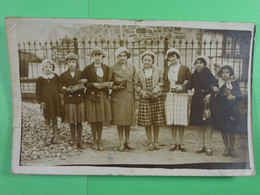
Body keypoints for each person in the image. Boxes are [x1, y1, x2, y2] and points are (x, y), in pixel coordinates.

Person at [82, 47, 112, 151]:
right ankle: (94, 140)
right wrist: (93, 84)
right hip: (91, 96)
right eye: (96, 55)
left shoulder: (106, 68)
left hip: (103, 95)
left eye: (99, 55)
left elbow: (110, 80)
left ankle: (100, 140)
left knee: (100, 119)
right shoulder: (87, 68)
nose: (98, 57)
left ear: (102, 56)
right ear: (93, 57)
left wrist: (105, 84)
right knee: (93, 119)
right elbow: (84, 82)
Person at [188, 55, 218, 156]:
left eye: (201, 63)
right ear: (195, 65)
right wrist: (182, 84)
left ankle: (208, 146)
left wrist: (210, 94)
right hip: (197, 99)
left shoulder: (209, 74)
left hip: (207, 99)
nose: (198, 64)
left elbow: (215, 85)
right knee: (199, 124)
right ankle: (201, 145)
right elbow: (189, 86)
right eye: (197, 63)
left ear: (204, 64)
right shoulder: (193, 75)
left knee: (208, 123)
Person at [136, 51, 164, 151]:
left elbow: (162, 81)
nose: (147, 62)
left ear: (152, 61)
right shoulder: (139, 72)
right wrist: (141, 92)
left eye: (149, 60)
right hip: (145, 98)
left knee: (156, 121)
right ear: (142, 61)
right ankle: (149, 142)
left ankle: (156, 141)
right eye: (145, 60)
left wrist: (156, 88)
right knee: (147, 122)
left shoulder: (158, 70)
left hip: (156, 97)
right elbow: (136, 84)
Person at [109, 47, 137, 152]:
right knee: (120, 121)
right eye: (120, 56)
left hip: (129, 96)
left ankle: (127, 142)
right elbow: (109, 83)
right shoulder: (112, 68)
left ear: (127, 56)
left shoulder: (132, 67)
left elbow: (135, 82)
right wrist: (116, 87)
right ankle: (121, 142)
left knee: (128, 121)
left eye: (124, 55)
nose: (122, 58)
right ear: (117, 57)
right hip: (118, 97)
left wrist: (136, 92)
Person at [164, 48, 191, 152]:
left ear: (177, 56)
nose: (171, 58)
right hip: (171, 95)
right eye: (169, 56)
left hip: (181, 95)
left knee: (180, 118)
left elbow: (189, 81)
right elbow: (165, 81)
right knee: (173, 119)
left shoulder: (184, 68)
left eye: (173, 56)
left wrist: (182, 87)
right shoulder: (167, 69)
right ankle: (173, 142)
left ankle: (181, 142)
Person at [213, 65, 242, 158]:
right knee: (224, 128)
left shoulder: (234, 83)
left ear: (230, 74)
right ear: (221, 74)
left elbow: (240, 95)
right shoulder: (219, 83)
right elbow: (217, 98)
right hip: (222, 109)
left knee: (232, 129)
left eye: (227, 72)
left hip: (232, 109)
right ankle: (226, 147)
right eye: (223, 72)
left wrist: (234, 97)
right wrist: (225, 97)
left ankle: (232, 148)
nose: (225, 74)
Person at [60, 53, 86, 149]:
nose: (71, 64)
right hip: (69, 100)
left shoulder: (81, 73)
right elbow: (60, 86)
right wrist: (66, 89)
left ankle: (80, 141)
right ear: (66, 63)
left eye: (73, 62)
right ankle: (74, 141)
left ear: (76, 63)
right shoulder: (63, 75)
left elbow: (85, 84)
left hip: (79, 99)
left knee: (79, 121)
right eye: (69, 62)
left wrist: (79, 86)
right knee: (72, 121)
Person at [36, 59, 61, 146]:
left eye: (50, 67)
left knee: (54, 119)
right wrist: (40, 102)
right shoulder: (40, 79)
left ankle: (55, 136)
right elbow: (37, 92)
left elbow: (59, 88)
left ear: (52, 68)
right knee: (47, 119)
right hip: (45, 103)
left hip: (54, 102)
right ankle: (49, 137)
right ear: (43, 68)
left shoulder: (56, 77)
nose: (48, 68)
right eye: (46, 67)